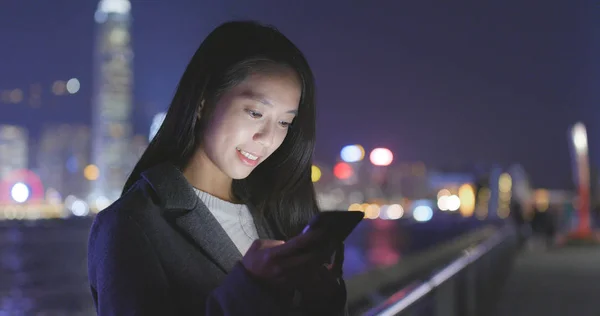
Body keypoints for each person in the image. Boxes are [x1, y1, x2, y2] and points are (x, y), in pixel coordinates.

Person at [87, 21, 348, 315]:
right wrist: (251, 286)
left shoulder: (276, 212)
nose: (268, 138)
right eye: (255, 112)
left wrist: (323, 298)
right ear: (203, 102)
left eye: (284, 122)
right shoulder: (131, 223)